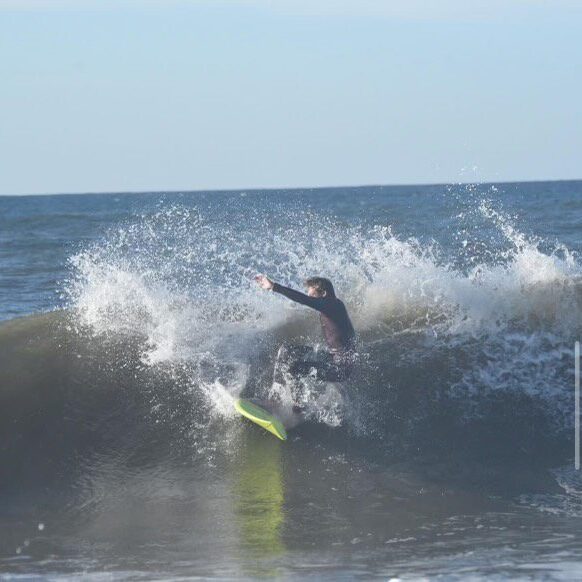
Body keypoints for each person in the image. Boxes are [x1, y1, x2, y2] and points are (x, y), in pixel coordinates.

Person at [254, 274, 356, 382]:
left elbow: (303, 299)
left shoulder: (331, 305)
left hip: (339, 368)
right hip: (332, 358)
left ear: (324, 294)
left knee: (295, 369)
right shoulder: (335, 304)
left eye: (312, 296)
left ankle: (294, 399)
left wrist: (274, 287)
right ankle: (277, 393)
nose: (310, 298)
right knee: (287, 350)